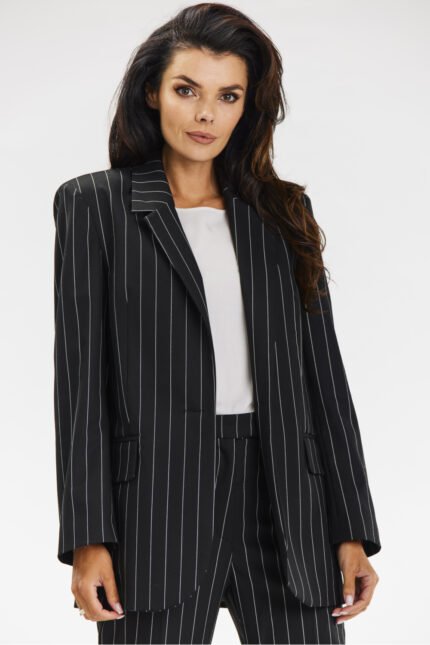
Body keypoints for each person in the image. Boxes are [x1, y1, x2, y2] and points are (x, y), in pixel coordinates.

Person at [53, 3, 381, 643]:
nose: (206, 114)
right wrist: (88, 539)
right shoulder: (94, 206)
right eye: (187, 90)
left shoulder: (282, 212)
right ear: (152, 92)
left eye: (228, 96)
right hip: (157, 505)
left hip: (287, 502)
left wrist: (351, 529)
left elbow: (325, 382)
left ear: (246, 107)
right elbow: (80, 384)